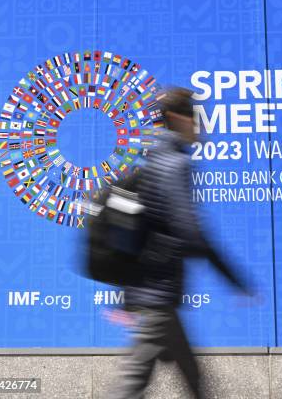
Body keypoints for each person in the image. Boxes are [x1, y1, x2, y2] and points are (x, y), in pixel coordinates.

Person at [110, 87, 249, 399]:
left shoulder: (150, 162)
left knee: (192, 376)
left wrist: (124, 293)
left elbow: (138, 231)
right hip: (158, 289)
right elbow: (190, 232)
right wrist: (233, 278)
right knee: (132, 384)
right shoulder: (176, 164)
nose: (201, 127)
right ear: (177, 118)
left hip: (153, 287)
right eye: (196, 119)